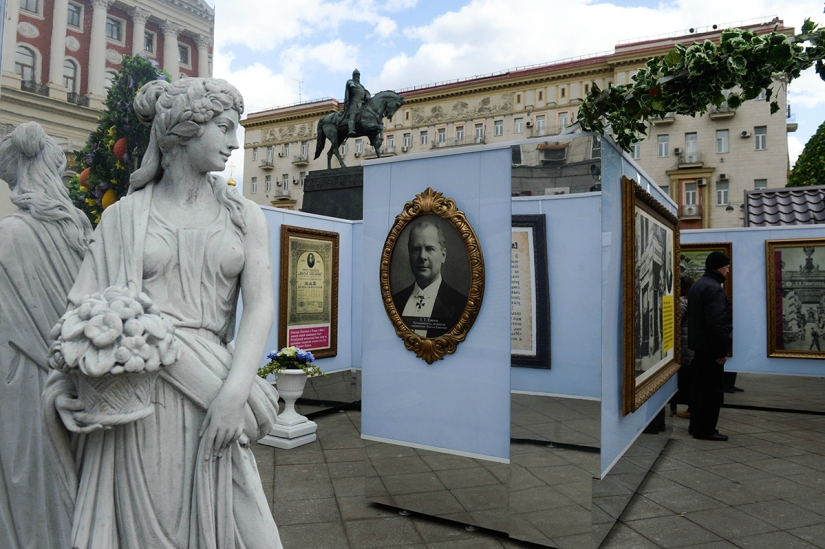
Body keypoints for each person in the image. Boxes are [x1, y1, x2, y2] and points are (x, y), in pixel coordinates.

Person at [43, 78, 283, 548]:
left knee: (255, 533)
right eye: (224, 127)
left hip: (216, 388)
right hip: (141, 403)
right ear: (184, 130)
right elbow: (82, 316)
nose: (235, 141)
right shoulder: (123, 218)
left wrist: (234, 394)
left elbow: (260, 307)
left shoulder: (244, 216)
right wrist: (68, 388)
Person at [0, 122, 91, 548]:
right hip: (73, 374)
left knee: (26, 474)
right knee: (70, 473)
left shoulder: (8, 234)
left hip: (19, 377)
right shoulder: (78, 228)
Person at [392, 219, 468, 338]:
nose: (422, 256)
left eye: (429, 249)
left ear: (443, 255)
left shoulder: (461, 305)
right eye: (416, 249)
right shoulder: (395, 300)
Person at [687, 251, 732, 441]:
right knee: (712, 393)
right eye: (726, 267)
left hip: (699, 348)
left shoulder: (699, 285)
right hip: (710, 350)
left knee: (698, 390)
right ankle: (704, 430)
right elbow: (716, 322)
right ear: (718, 267)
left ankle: (695, 426)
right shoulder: (714, 288)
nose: (728, 270)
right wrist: (721, 351)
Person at [670, 275, 694, 418]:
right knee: (688, 380)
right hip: (689, 347)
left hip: (682, 347)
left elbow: (675, 324)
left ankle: (674, 406)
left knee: (679, 379)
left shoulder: (681, 302)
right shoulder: (693, 301)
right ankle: (686, 407)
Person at [343, 68, 371, 136]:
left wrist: (367, 95)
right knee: (353, 114)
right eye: (356, 75)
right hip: (353, 102)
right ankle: (351, 129)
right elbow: (349, 87)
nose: (358, 77)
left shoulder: (361, 86)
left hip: (362, 103)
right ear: (353, 76)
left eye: (358, 76)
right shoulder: (350, 82)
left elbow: (366, 92)